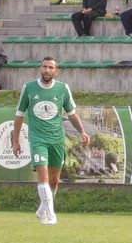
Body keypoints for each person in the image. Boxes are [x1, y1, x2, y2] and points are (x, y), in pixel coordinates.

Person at [11, 56, 89, 225]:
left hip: (57, 139)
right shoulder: (29, 88)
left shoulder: (63, 88)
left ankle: (42, 210)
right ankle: (51, 214)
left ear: (56, 71)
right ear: (40, 68)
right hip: (38, 139)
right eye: (44, 67)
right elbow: (19, 115)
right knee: (43, 175)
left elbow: (71, 114)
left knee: (53, 181)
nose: (47, 70)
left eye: (50, 67)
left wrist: (82, 131)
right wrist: (15, 141)